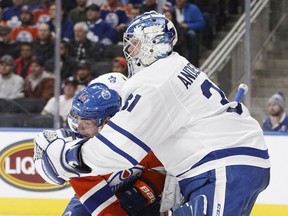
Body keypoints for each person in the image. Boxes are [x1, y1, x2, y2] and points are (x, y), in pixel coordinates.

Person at [34, 11, 270, 216]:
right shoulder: (175, 66)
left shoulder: (153, 81)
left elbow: (115, 150)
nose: (130, 50)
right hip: (232, 163)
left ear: (152, 43)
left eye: (134, 43)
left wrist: (64, 157)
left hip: (221, 166)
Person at [61, 73, 166, 215]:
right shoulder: (78, 154)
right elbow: (106, 209)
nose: (80, 128)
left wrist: (143, 192)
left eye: (86, 121)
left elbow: (160, 170)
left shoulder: (143, 133)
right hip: (100, 200)